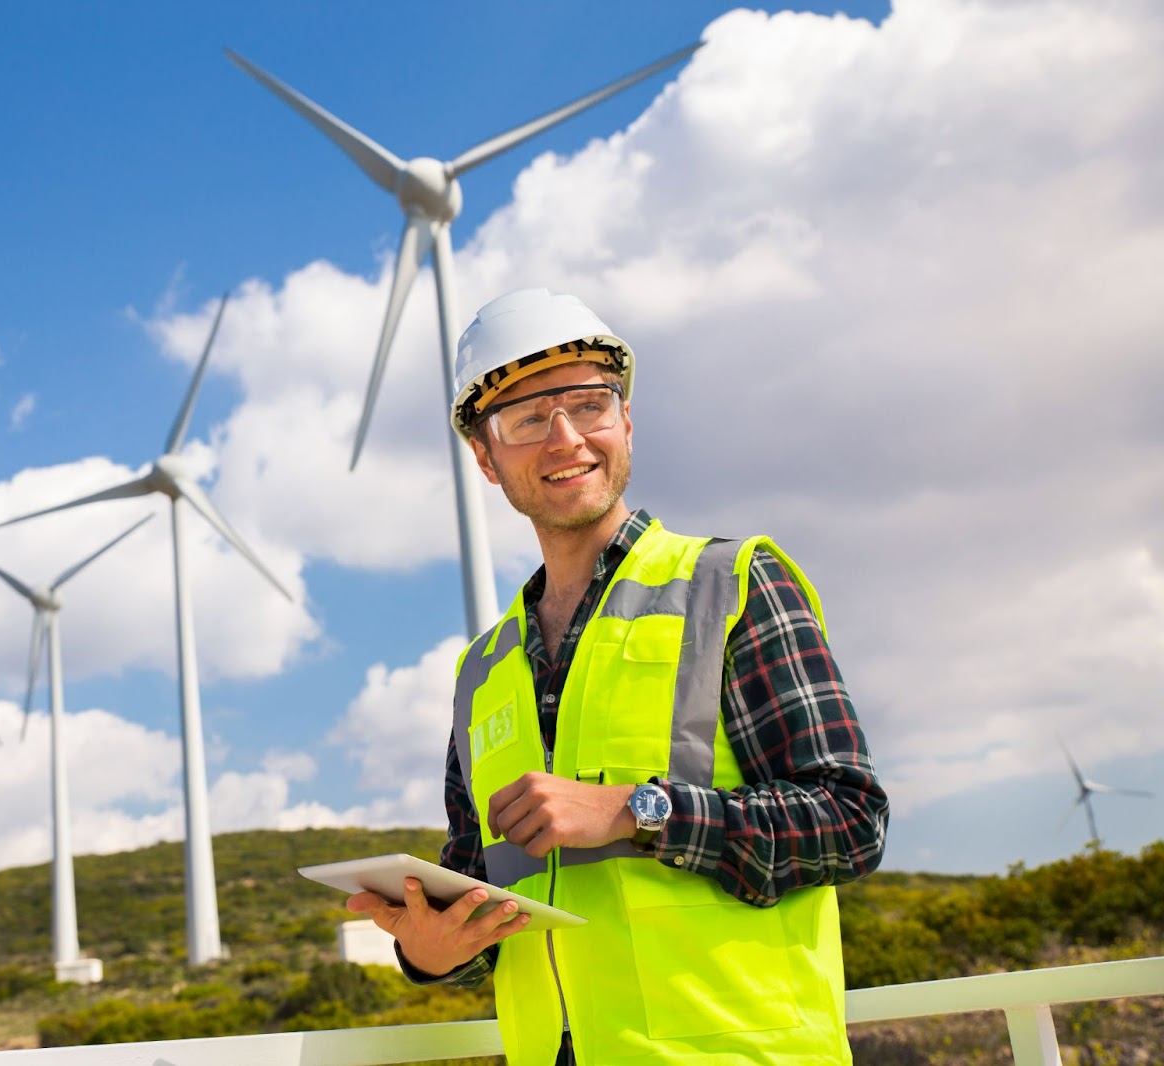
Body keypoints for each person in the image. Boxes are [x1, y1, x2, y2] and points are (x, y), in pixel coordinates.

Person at [346, 288, 889, 1065]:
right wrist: (431, 952)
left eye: (589, 405)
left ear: (625, 422)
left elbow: (849, 821)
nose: (566, 437)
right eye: (528, 419)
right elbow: (481, 887)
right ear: (486, 458)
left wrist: (636, 811)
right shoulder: (484, 671)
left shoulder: (731, 584)